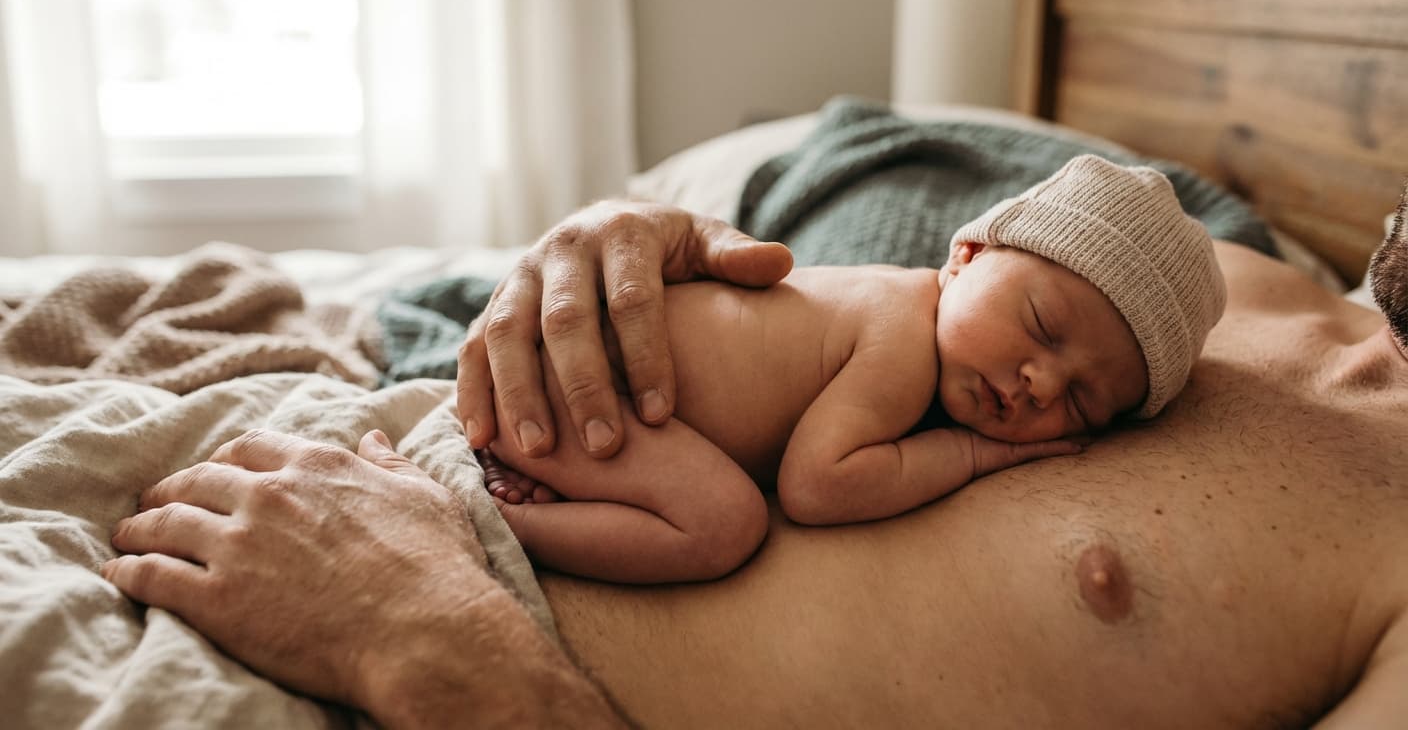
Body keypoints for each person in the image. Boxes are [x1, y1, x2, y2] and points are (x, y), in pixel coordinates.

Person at [106, 184, 1408, 727]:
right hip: (340, 478)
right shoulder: (1204, 278)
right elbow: (844, 306)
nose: (1041, 390)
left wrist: (443, 650)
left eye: (1082, 404)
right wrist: (624, 251)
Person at [478, 155, 1225, 583]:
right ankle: (507, 522)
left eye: (1086, 403)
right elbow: (815, 485)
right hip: (589, 391)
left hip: (607, 400)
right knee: (725, 525)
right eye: (1043, 326)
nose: (1043, 384)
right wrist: (969, 453)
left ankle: (552, 487)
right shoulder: (900, 337)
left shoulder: (908, 322)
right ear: (965, 257)